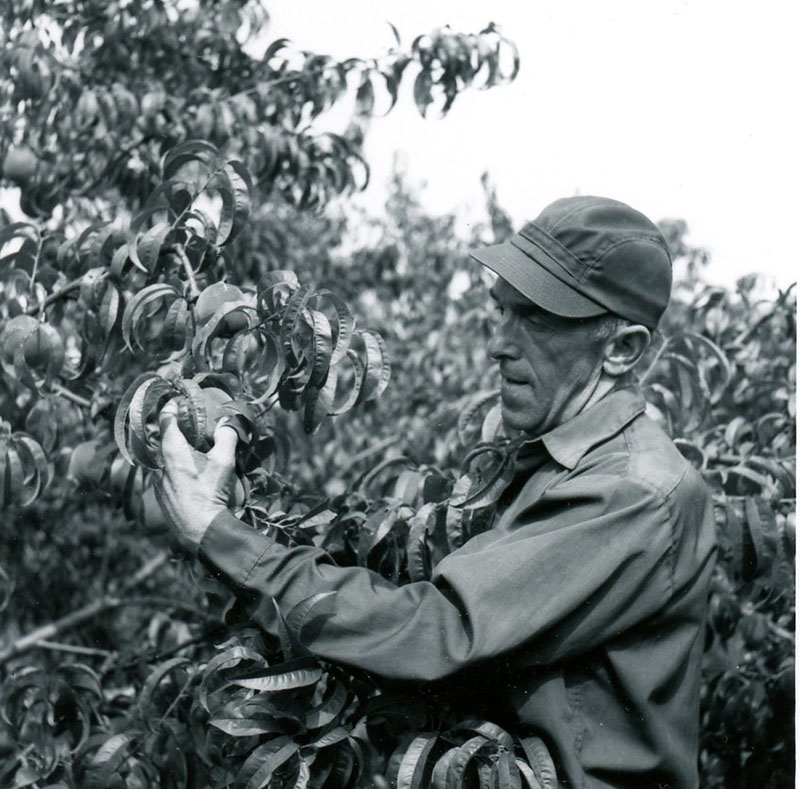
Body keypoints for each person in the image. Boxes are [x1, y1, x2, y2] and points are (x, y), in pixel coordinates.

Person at [156, 196, 717, 788]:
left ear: (622, 349)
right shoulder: (555, 458)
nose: (500, 344)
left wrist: (217, 533)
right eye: (503, 311)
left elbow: (440, 634)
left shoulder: (630, 492)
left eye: (537, 320)